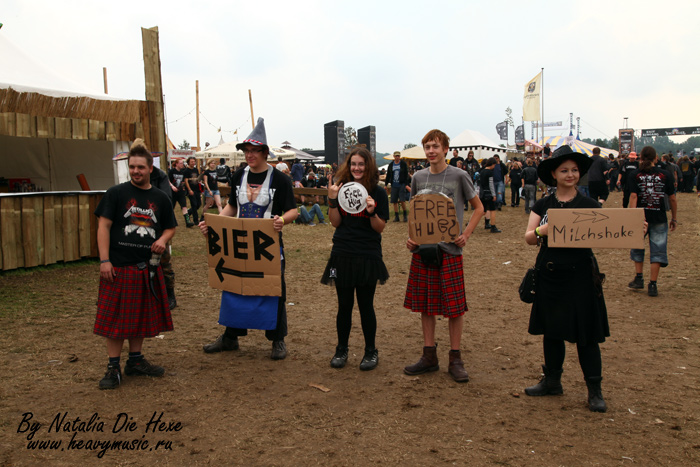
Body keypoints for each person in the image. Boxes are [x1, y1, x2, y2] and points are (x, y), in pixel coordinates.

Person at [200, 118, 298, 360]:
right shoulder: (238, 177)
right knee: (235, 287)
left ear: (265, 152)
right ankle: (230, 338)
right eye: (247, 151)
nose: (250, 155)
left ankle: (277, 339)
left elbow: (293, 211)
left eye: (255, 151)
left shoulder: (280, 180)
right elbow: (233, 207)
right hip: (238, 244)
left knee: (273, 289)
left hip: (268, 246)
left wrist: (282, 221)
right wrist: (215, 225)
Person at [523, 145, 609, 413]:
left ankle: (594, 390)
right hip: (550, 275)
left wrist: (635, 228)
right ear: (554, 174)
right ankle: (552, 382)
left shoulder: (589, 205)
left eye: (574, 170)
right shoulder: (543, 204)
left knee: (587, 336)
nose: (570, 174)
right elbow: (528, 238)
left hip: (582, 276)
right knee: (552, 332)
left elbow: (611, 232)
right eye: (564, 170)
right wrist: (542, 229)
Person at [94, 139, 177, 390]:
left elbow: (170, 227)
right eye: (132, 167)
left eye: (140, 167)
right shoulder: (116, 193)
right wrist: (105, 260)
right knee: (115, 321)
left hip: (146, 269)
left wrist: (162, 239)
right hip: (117, 267)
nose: (136, 172)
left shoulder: (160, 198)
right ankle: (112, 366)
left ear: (151, 168)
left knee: (138, 317)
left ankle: (136, 361)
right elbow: (103, 227)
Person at [403, 129, 484, 383]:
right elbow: (415, 212)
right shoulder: (418, 177)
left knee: (454, 307)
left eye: (435, 146)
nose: (431, 151)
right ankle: (429, 356)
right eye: (427, 146)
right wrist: (411, 237)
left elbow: (479, 208)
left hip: (450, 250)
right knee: (426, 304)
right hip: (423, 250)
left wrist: (466, 234)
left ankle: (455, 358)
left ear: (446, 149)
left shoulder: (459, 176)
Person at [321, 147, 389, 371]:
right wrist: (332, 200)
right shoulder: (341, 189)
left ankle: (371, 351)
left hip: (368, 254)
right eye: (353, 164)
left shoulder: (377, 192)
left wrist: (371, 212)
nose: (357, 168)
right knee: (344, 305)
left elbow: (379, 228)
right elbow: (335, 222)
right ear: (348, 166)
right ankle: (341, 349)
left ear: (368, 166)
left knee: (366, 305)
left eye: (361, 164)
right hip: (343, 252)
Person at [627, 146, 677, 297]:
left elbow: (633, 197)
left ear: (640, 158)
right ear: (656, 158)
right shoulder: (666, 175)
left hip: (640, 217)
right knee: (658, 250)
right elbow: (672, 198)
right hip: (659, 217)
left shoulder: (635, 175)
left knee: (637, 246)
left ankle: (639, 277)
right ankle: (653, 284)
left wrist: (633, 216)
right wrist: (674, 217)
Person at [385, 151, 410, 222]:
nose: (397, 157)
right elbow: (388, 175)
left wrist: (406, 184)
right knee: (394, 201)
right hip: (394, 185)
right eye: (396, 156)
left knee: (402, 200)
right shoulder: (391, 165)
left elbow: (406, 175)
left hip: (401, 184)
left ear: (400, 156)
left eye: (398, 156)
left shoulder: (403, 164)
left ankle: (405, 216)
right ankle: (396, 216)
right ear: (393, 156)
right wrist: (386, 184)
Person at [479, 158, 501, 233]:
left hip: (482, 193)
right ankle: (493, 226)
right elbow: (491, 184)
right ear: (492, 164)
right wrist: (494, 194)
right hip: (489, 193)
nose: (494, 167)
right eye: (494, 165)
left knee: (482, 211)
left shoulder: (482, 171)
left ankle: (470, 223)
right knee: (492, 210)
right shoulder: (490, 173)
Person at [169, 158, 193, 227]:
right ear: (176, 164)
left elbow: (184, 181)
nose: (182, 164)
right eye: (181, 163)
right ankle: (170, 222)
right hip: (173, 193)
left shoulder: (183, 172)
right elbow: (168, 180)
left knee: (184, 207)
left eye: (182, 163)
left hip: (181, 193)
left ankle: (188, 222)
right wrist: (172, 186)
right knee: (171, 207)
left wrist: (183, 187)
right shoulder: (172, 171)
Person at [183, 156, 202, 226]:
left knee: (198, 204)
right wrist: (189, 190)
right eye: (192, 162)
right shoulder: (186, 171)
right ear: (188, 162)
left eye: (194, 161)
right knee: (194, 204)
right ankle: (196, 220)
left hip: (197, 189)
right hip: (191, 189)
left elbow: (197, 178)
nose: (193, 163)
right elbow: (186, 181)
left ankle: (188, 212)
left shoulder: (196, 170)